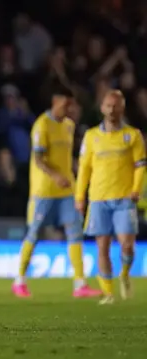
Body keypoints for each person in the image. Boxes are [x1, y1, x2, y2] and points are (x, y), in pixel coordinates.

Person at [12, 87, 101, 298]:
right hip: (44, 190)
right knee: (34, 233)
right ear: (56, 102)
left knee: (75, 232)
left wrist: (79, 170)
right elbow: (38, 160)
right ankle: (19, 280)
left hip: (67, 190)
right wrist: (55, 176)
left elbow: (65, 158)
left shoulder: (69, 126)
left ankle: (80, 285)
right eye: (66, 104)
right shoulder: (42, 125)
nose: (69, 108)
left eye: (71, 104)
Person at [75, 90, 146, 305]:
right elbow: (84, 169)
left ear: (122, 108)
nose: (111, 110)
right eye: (108, 106)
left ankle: (124, 274)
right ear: (102, 108)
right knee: (102, 247)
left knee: (127, 246)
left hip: (125, 198)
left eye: (116, 106)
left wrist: (136, 189)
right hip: (98, 199)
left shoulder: (132, 135)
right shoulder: (91, 136)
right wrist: (80, 196)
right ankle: (108, 293)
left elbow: (140, 165)